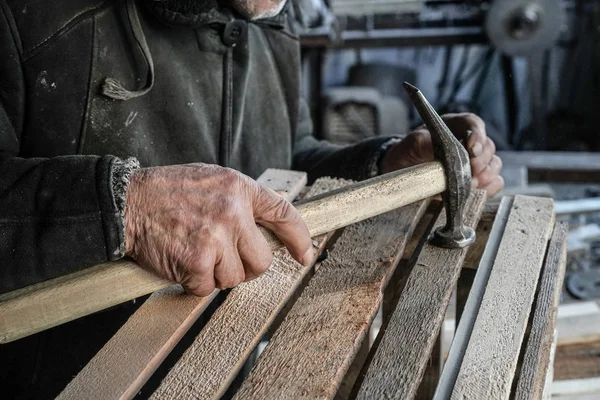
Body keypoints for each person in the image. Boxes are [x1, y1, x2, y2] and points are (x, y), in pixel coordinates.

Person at [0, 0, 503, 396]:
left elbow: (284, 159)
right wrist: (126, 207)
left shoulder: (270, 18)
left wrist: (384, 165)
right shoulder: (29, 16)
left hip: (232, 367)